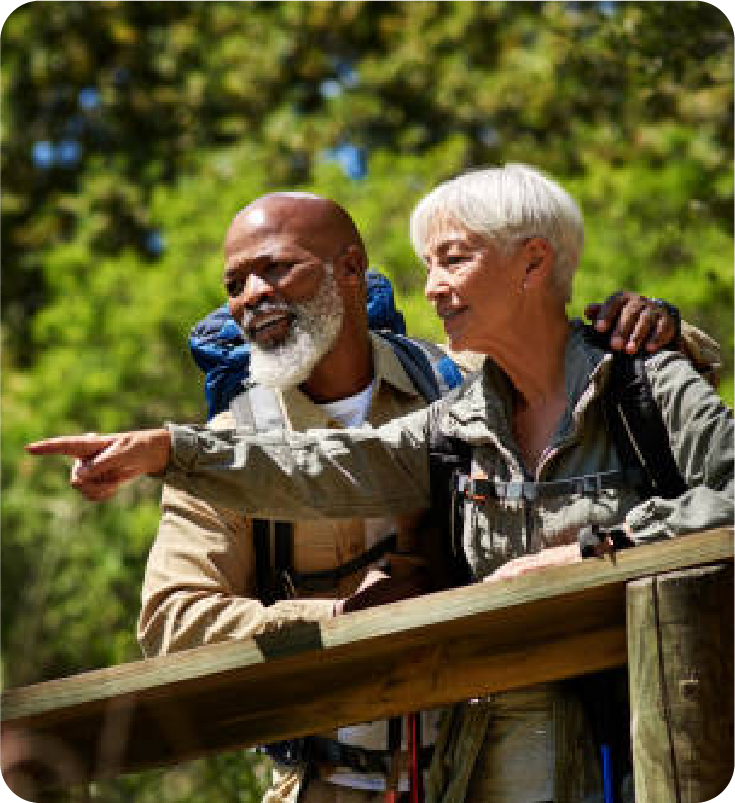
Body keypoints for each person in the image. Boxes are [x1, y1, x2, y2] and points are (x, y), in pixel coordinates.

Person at [27, 171, 727, 803]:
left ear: (351, 268)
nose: (252, 298)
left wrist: (659, 328)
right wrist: (343, 620)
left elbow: (607, 374)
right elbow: (176, 619)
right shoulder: (232, 447)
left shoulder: (454, 385)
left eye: (276, 269)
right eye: (234, 284)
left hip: (516, 750)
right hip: (327, 779)